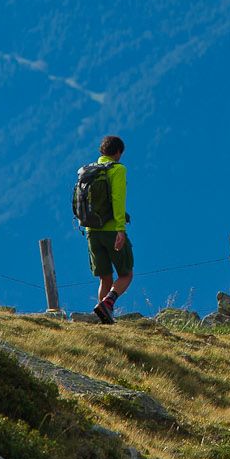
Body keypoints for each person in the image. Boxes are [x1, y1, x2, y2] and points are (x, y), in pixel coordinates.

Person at [87, 134, 132, 324]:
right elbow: (118, 199)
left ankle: (103, 319)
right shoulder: (117, 170)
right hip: (112, 230)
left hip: (91, 231)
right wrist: (120, 229)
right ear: (118, 152)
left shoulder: (89, 171)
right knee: (126, 274)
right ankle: (108, 303)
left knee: (104, 278)